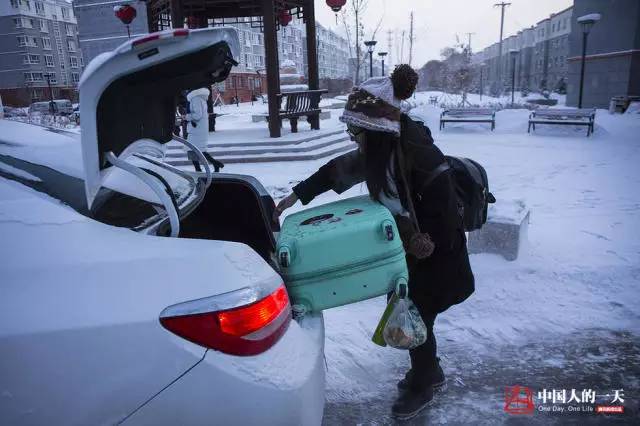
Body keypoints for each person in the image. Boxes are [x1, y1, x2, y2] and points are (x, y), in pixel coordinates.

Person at [273, 65, 475, 420]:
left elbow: (442, 210)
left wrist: (419, 242)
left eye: (356, 129)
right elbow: (337, 171)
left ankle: (424, 383)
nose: (353, 136)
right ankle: (429, 371)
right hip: (412, 248)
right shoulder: (382, 150)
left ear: (375, 127)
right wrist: (295, 196)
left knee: (416, 312)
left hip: (438, 249)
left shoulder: (419, 155)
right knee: (412, 310)